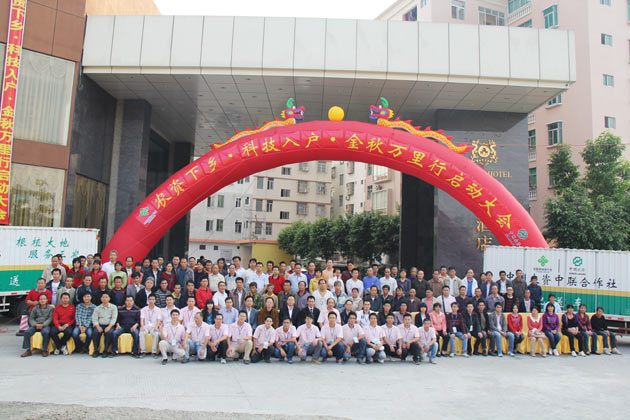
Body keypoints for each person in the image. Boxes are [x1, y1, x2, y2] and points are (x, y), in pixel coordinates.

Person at [91, 292, 118, 358]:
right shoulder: (97, 308)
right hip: (99, 325)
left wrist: (109, 327)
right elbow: (94, 318)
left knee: (109, 333)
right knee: (95, 332)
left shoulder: (113, 307)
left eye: (106, 297)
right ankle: (96, 350)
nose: (105, 299)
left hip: (109, 325)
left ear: (109, 299)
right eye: (103, 297)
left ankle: (105, 351)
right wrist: (97, 326)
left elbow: (114, 318)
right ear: (101, 298)